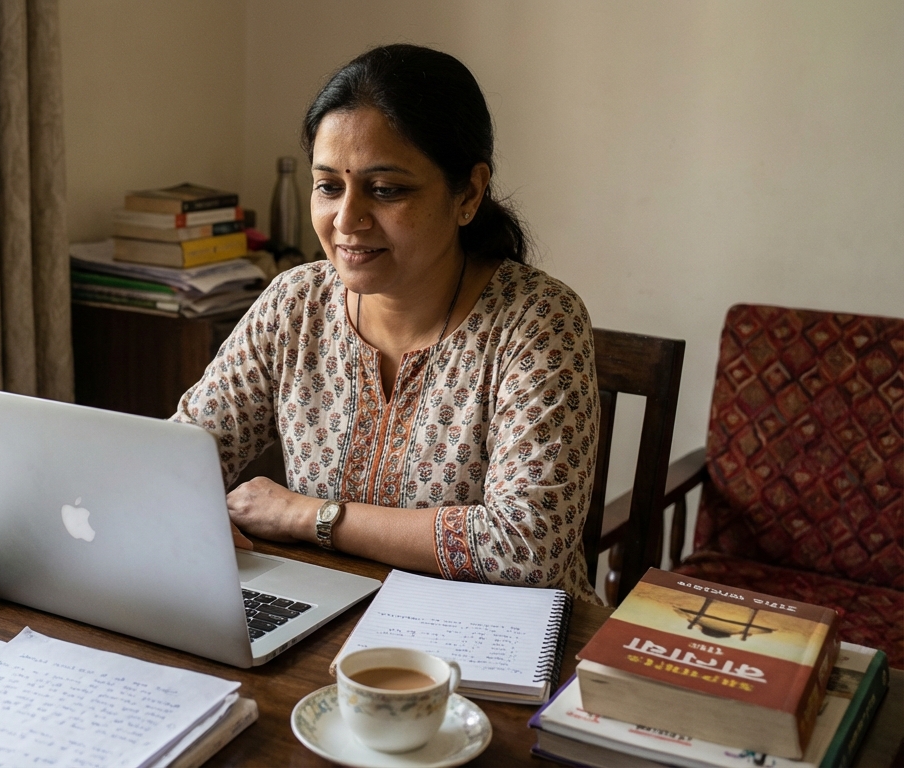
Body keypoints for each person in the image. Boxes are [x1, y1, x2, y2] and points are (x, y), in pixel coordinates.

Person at [171, 44, 601, 602]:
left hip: (503, 647)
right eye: (329, 186)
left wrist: (310, 517)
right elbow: (180, 457)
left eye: (386, 189)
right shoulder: (295, 304)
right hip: (331, 618)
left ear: (468, 193)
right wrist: (188, 511)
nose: (347, 220)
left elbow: (526, 547)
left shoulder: (538, 322)